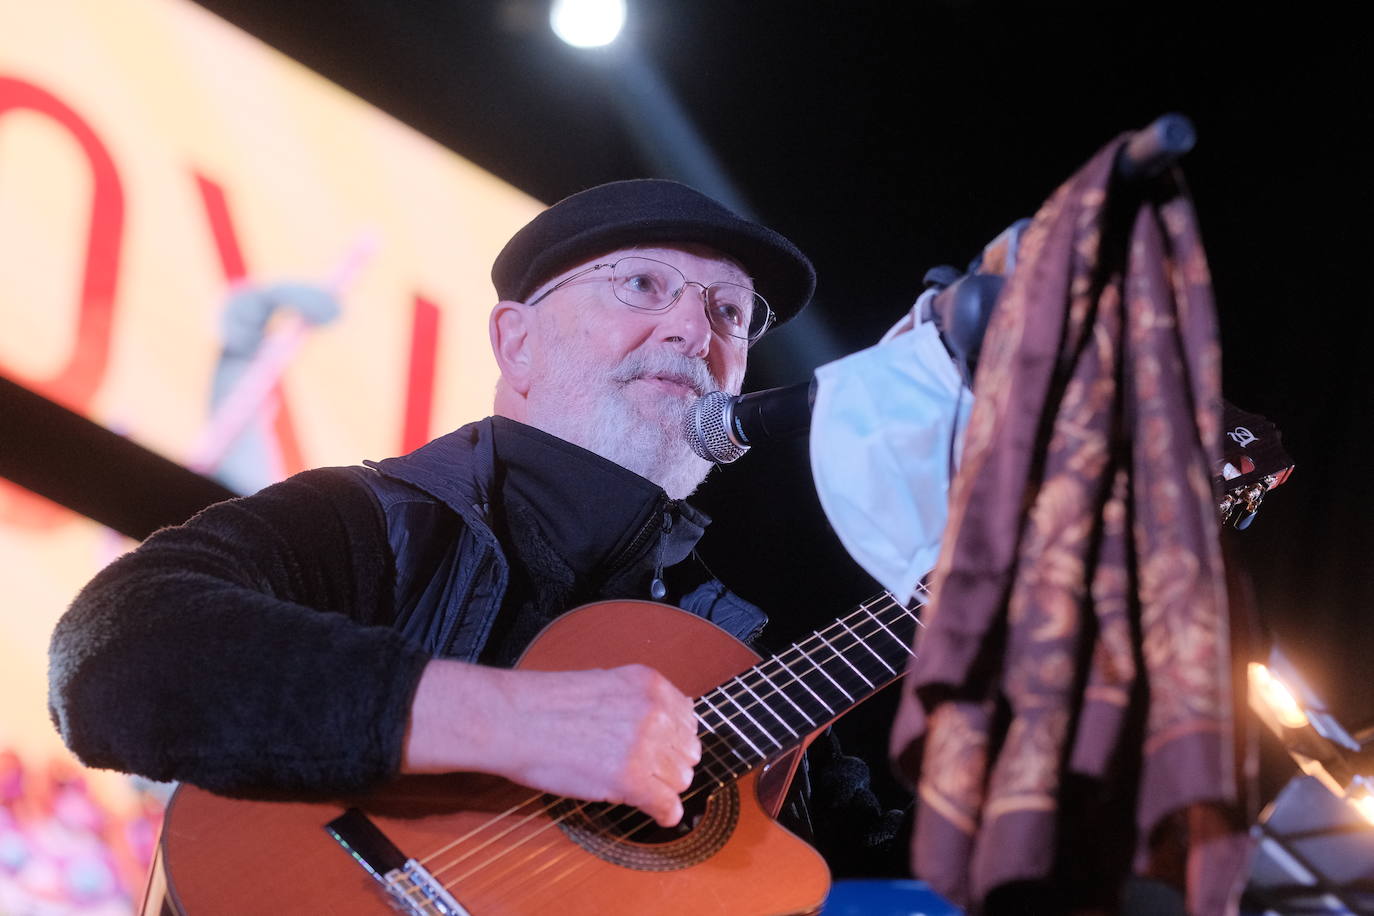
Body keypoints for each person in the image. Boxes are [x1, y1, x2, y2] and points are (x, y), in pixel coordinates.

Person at [48, 179, 845, 838]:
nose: (693, 330)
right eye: (643, 284)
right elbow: (113, 652)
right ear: (516, 343)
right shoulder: (371, 520)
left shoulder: (733, 646)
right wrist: (519, 724)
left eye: (729, 313)